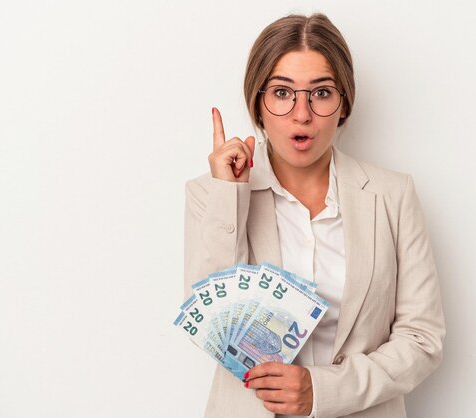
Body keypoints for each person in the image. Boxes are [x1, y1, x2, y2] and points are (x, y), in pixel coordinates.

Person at [184, 13, 445, 418]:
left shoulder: (392, 195)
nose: (301, 114)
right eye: (282, 92)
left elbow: (422, 338)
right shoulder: (211, 194)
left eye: (321, 93)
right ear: (258, 102)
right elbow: (213, 326)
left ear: (343, 104)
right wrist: (229, 194)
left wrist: (322, 391)